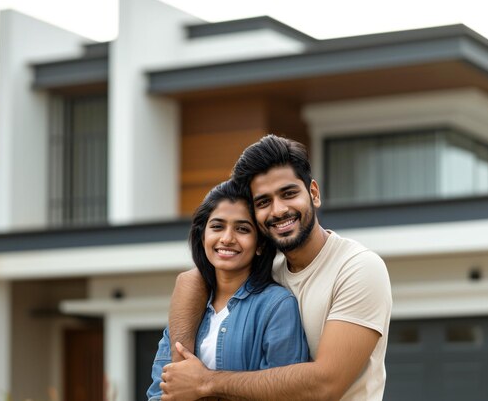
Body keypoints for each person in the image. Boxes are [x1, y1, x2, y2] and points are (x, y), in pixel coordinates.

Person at [160, 135, 392, 401]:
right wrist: (180, 360)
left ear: (313, 193)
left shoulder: (358, 268)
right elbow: (193, 279)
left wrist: (206, 382)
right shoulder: (271, 267)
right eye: (263, 202)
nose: (278, 210)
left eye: (289, 193)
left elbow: (326, 384)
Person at [147, 179, 309, 401]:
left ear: (260, 244)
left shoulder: (277, 305)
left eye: (242, 229)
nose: (227, 238)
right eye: (217, 226)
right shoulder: (188, 307)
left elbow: (286, 393)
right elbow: (160, 391)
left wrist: (204, 386)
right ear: (202, 235)